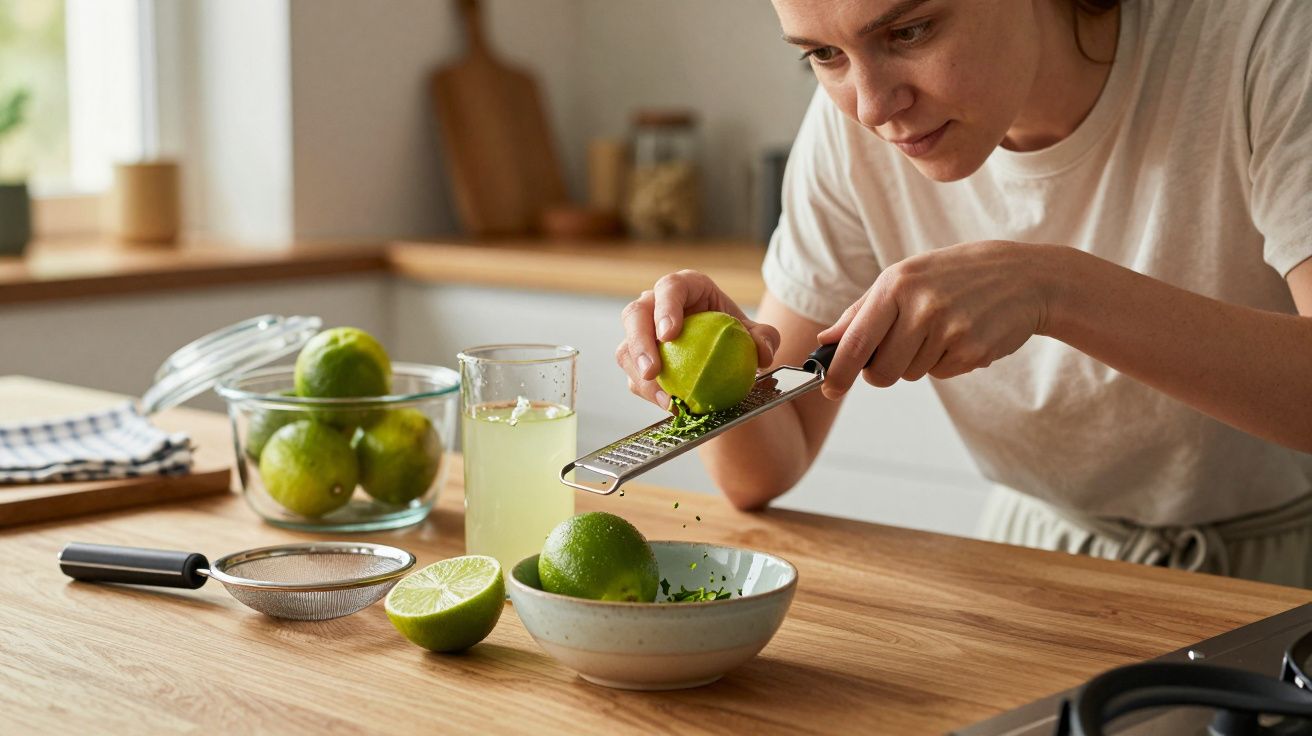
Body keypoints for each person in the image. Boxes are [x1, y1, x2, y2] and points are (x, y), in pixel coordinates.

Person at [615, 0, 1312, 588]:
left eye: (908, 32)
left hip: (1283, 572)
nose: (872, 107)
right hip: (1035, 562)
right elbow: (761, 470)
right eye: (823, 56)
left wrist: (1054, 288)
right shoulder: (850, 134)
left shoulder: (1265, 36)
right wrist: (716, 372)